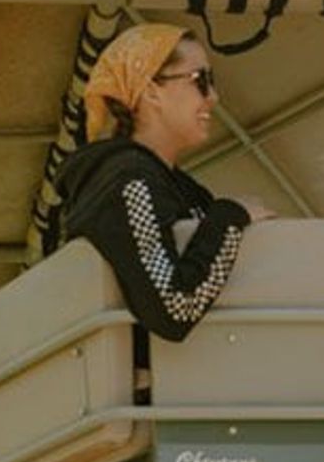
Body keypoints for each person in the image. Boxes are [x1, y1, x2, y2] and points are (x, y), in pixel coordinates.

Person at [55, 23, 270, 341]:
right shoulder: (127, 182)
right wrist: (231, 216)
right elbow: (174, 309)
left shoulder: (177, 186)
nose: (213, 97)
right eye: (200, 81)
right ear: (151, 91)